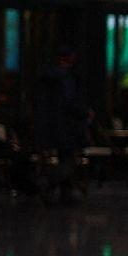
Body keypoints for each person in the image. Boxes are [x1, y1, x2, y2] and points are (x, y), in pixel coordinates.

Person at [33, 47, 91, 204]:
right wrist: (84, 112)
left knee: (63, 157)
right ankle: (51, 182)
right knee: (69, 159)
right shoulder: (66, 79)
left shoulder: (47, 78)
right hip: (66, 126)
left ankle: (66, 192)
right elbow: (70, 102)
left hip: (48, 125)